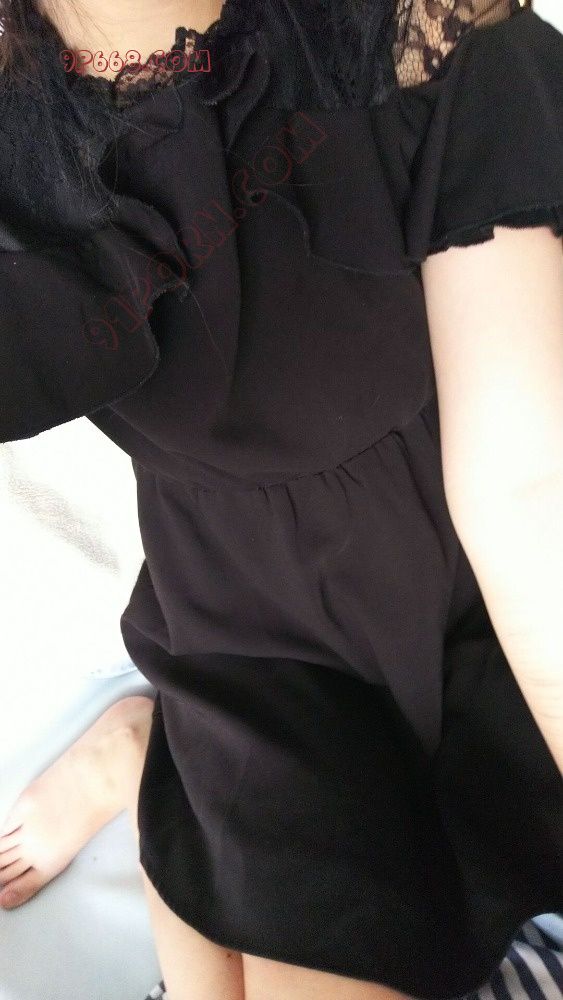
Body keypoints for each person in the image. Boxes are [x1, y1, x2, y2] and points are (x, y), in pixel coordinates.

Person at [0, 1, 562, 999]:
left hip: (462, 565)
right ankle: (156, 762)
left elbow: (528, 489)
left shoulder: (416, 24)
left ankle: (151, 772)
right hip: (246, 617)